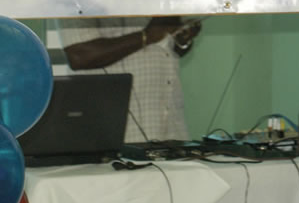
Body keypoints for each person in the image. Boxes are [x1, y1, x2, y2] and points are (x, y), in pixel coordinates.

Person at [60, 15, 202, 143]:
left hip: (172, 130)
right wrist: (146, 35)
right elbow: (79, 56)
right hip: (119, 135)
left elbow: (163, 51)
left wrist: (181, 39)